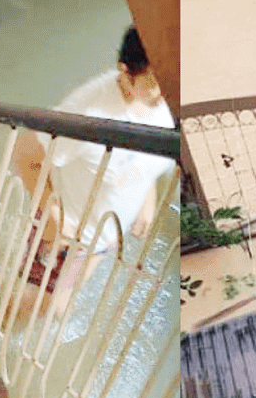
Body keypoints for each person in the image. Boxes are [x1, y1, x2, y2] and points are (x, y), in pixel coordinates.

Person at [10, 28, 175, 304]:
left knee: (57, 307)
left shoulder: (165, 101)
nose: (163, 93)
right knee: (35, 309)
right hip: (67, 236)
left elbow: (145, 156)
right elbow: (25, 155)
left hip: (101, 239)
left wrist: (148, 196)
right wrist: (53, 217)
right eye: (153, 82)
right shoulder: (88, 113)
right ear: (124, 71)